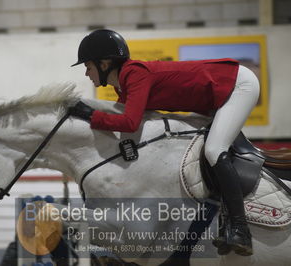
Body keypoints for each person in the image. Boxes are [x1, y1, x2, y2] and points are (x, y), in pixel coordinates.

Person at [69, 29, 260, 256]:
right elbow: (129, 131)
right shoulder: (123, 88)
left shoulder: (134, 74)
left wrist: (90, 116)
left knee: (213, 149)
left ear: (105, 63)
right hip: (216, 97)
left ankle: (240, 228)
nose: (87, 73)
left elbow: (129, 122)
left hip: (238, 84)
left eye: (88, 66)